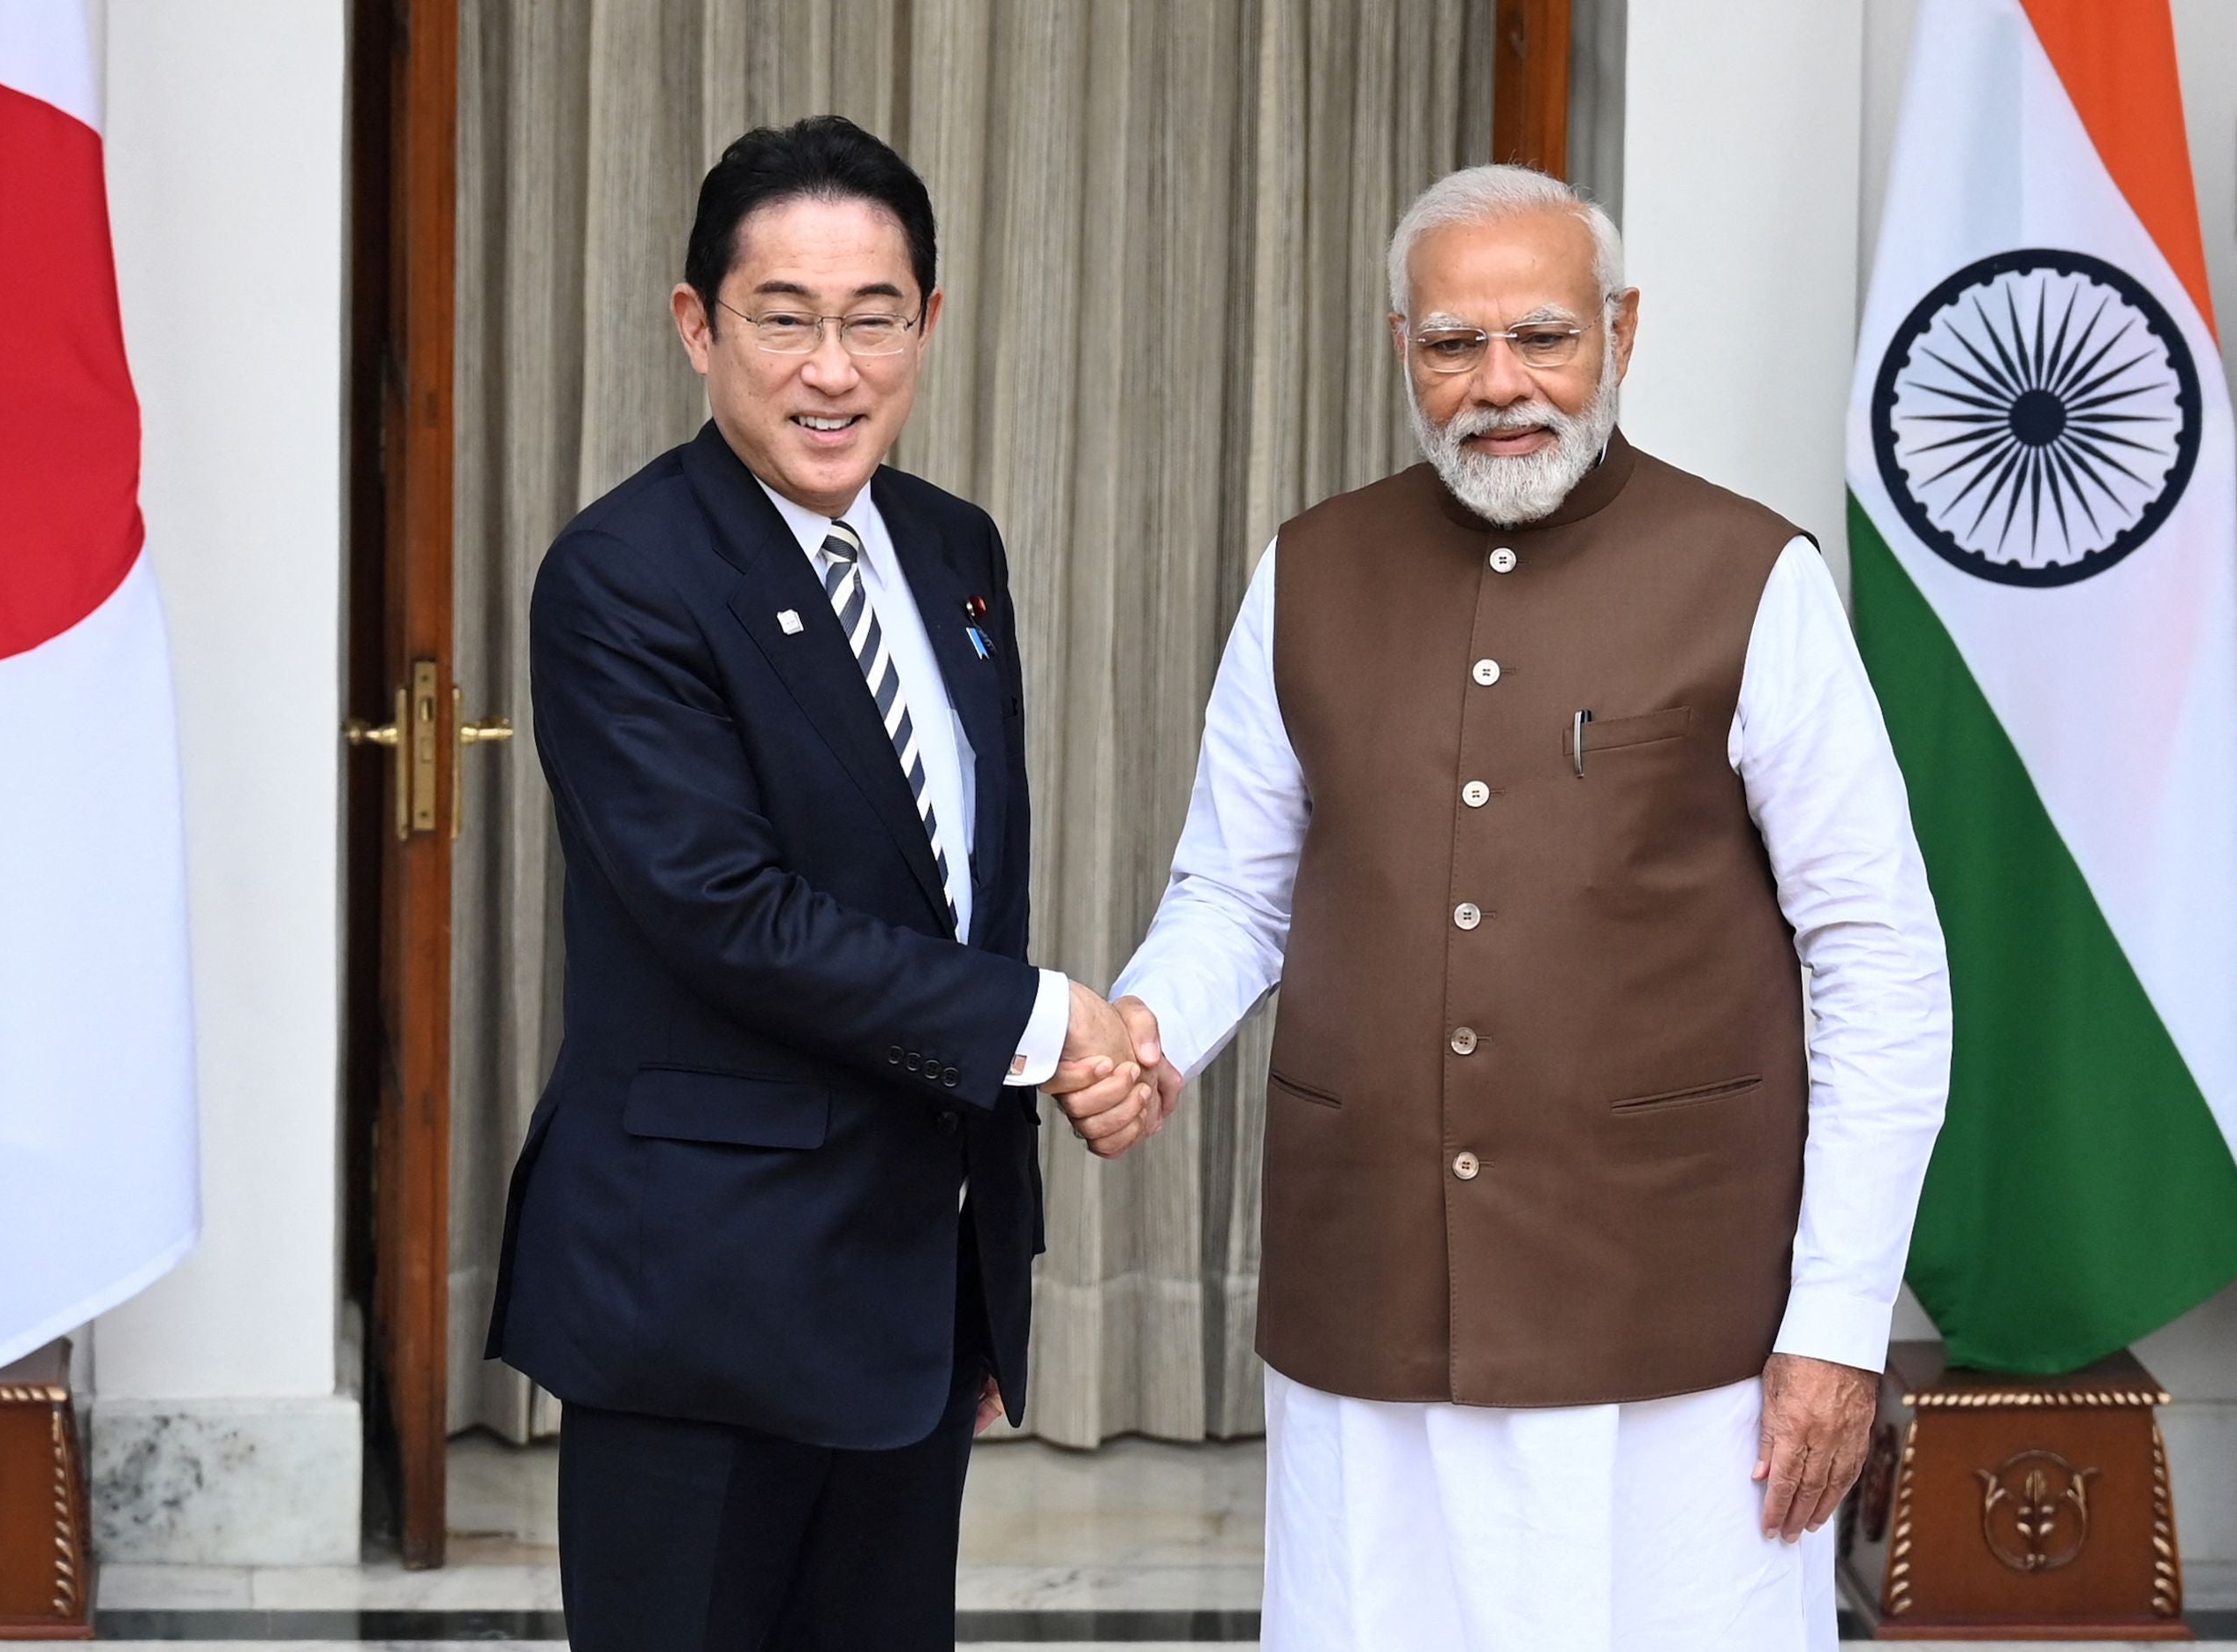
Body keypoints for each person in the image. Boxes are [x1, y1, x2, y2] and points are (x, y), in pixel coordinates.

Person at [1108, 163, 1953, 1651]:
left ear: (1622, 331)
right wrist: (1142, 1028)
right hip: (1369, 1298)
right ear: (1402, 351)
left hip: (1678, 1326)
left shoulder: (1749, 577)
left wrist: (1834, 1323)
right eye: (1454, 346)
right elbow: (1235, 893)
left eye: (1544, 337)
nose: (1501, 385)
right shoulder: (1310, 571)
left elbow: (1878, 956)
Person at [486, 116, 1157, 1651]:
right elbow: (730, 913)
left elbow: (967, 887)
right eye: (782, 319)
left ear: (928, 321)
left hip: (909, 1292)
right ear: (696, 326)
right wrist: (1056, 1030)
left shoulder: (954, 549)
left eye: (872, 318)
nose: (831, 369)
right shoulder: (623, 576)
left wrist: (990, 1246)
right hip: (703, 1301)